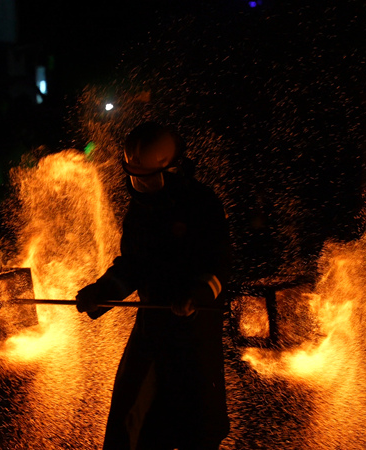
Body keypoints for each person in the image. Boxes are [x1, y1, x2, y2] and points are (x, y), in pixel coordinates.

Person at [76, 122, 231, 450]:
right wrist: (101, 293)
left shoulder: (202, 204)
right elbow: (133, 265)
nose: (142, 186)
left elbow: (219, 266)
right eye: (136, 178)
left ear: (174, 169)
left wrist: (196, 295)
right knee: (130, 426)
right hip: (153, 330)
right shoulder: (141, 210)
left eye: (150, 178)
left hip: (194, 333)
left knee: (198, 427)